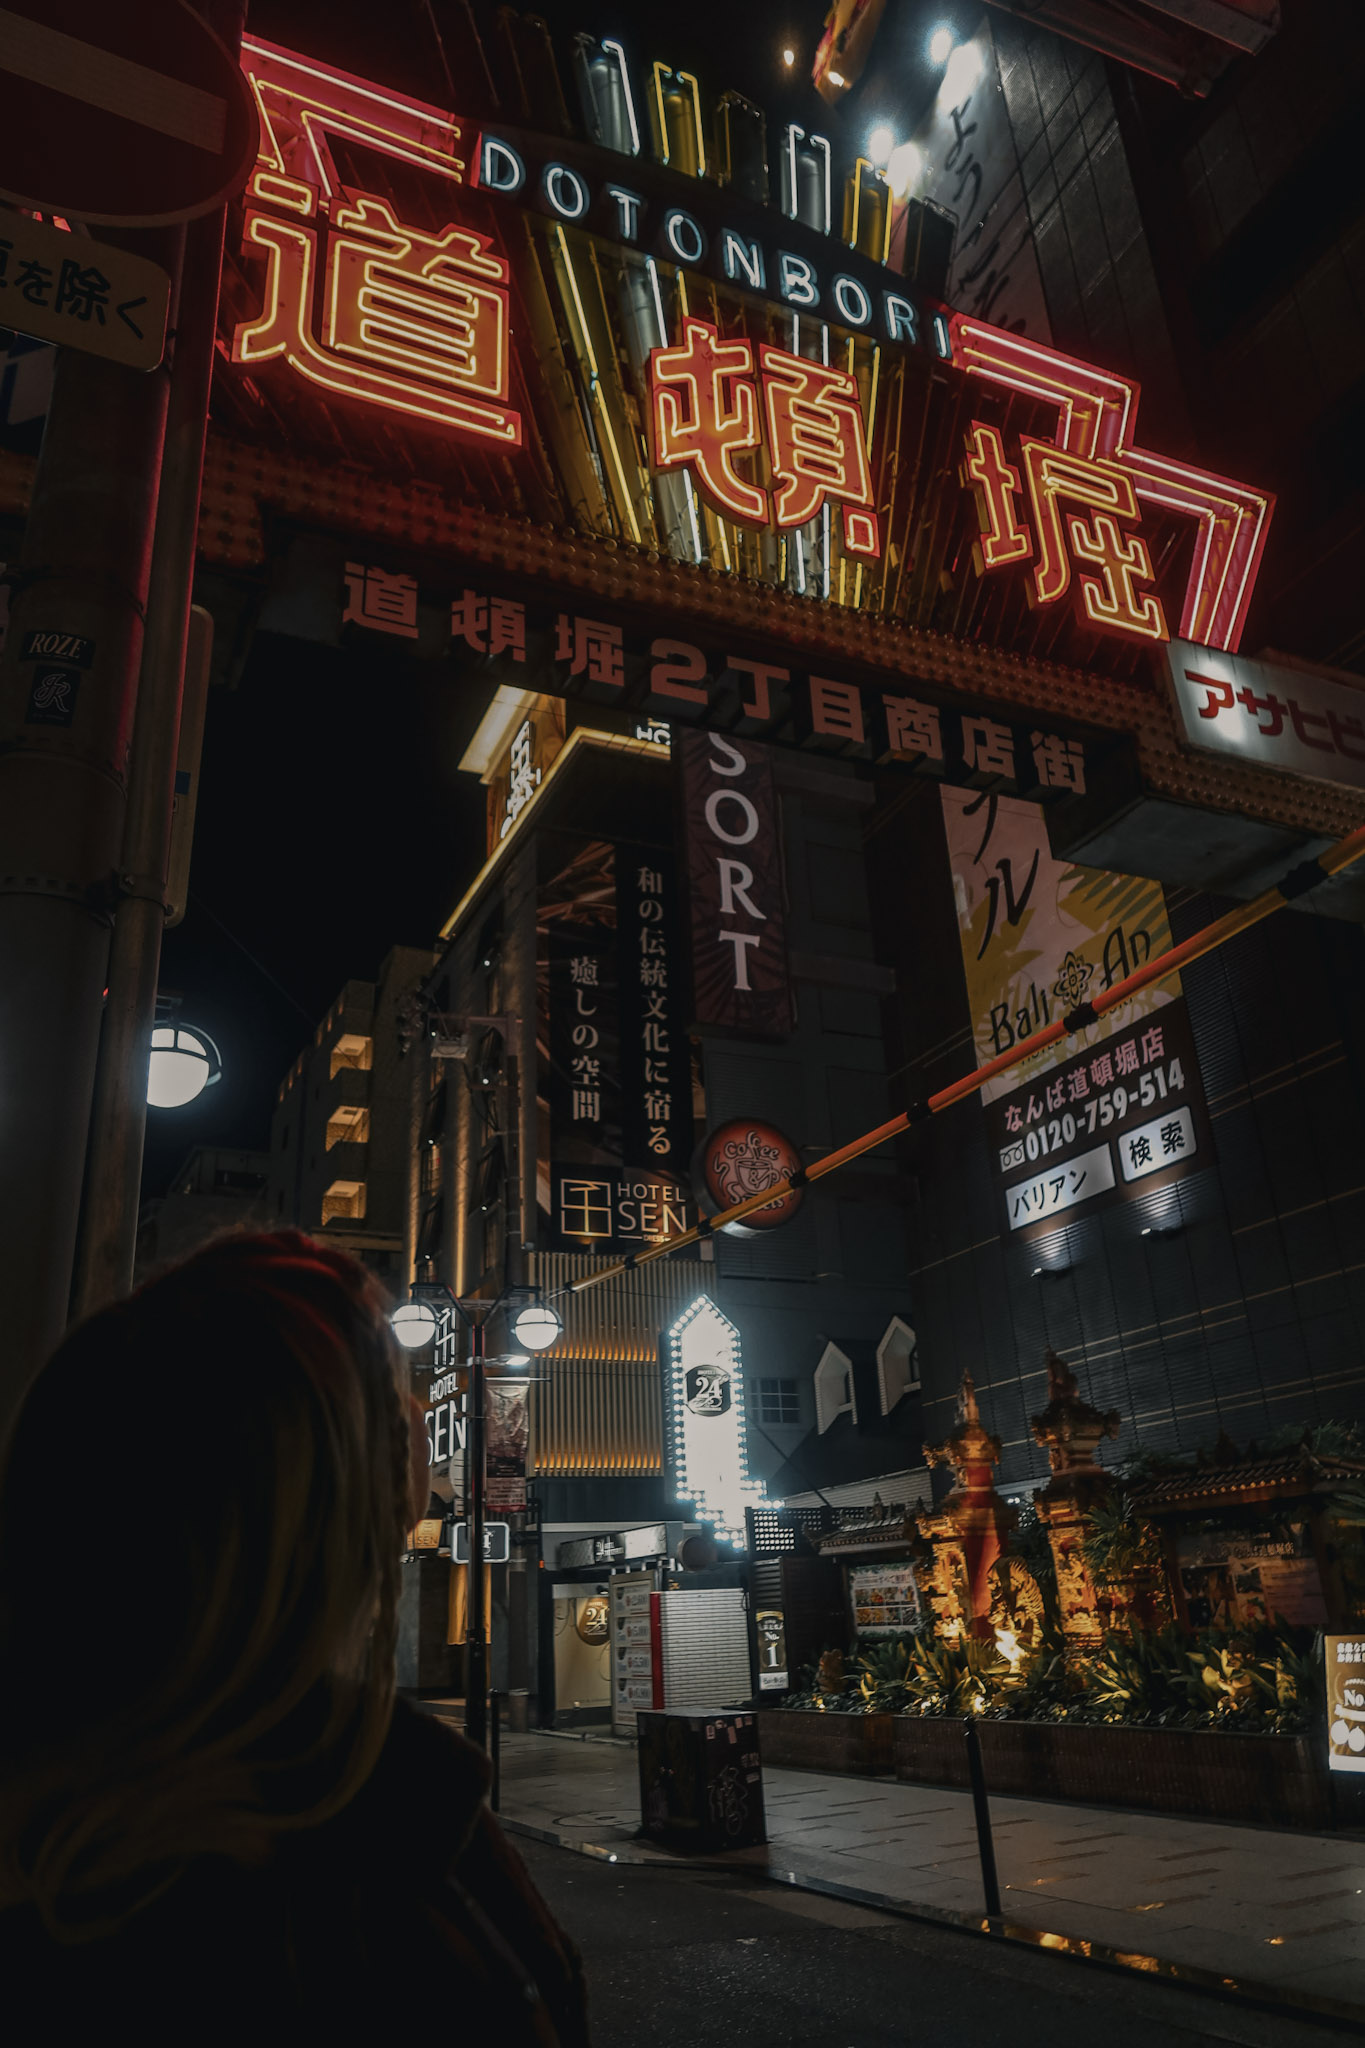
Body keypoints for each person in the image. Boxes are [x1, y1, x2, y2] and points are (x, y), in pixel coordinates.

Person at [0, 1231, 590, 2041]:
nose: (421, 1415)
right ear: (324, 1489)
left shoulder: (73, 1797)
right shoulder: (318, 1875)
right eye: (390, 1391)